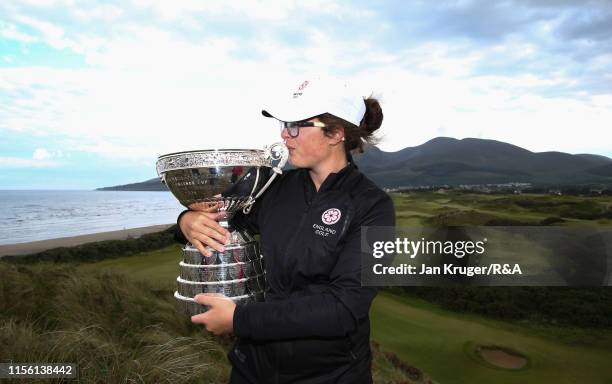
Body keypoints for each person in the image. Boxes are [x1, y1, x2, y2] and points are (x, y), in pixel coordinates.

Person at [175, 76, 395, 383]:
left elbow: (343, 308)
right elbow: (221, 219)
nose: (284, 134)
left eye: (296, 125)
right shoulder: (274, 189)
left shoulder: (374, 207)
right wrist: (187, 221)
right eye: (283, 124)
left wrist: (240, 320)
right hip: (253, 367)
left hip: (330, 374)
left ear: (335, 133)